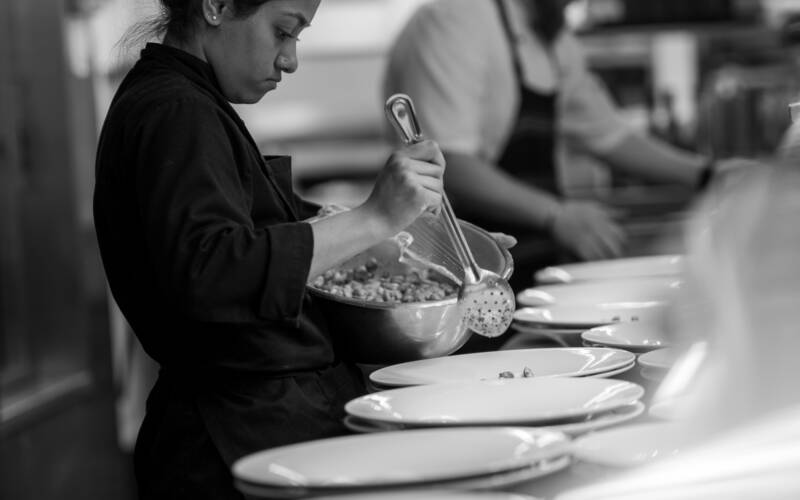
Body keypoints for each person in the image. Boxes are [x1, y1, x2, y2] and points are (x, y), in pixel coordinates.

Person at [93, 0, 446, 498]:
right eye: (284, 31)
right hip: (233, 440)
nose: (290, 59)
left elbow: (273, 226)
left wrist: (432, 242)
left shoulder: (190, 101)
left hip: (264, 421)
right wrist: (374, 216)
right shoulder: (175, 109)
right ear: (214, 6)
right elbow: (214, 272)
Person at [384, 0, 719, 295]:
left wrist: (707, 175)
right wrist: (556, 215)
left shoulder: (552, 38)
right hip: (461, 266)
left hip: (533, 263)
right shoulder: (456, 20)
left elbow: (608, 133)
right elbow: (452, 164)